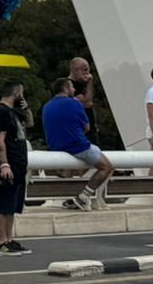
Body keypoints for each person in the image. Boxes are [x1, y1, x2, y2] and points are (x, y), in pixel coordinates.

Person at [41, 77, 113, 210]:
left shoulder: (47, 106)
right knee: (107, 167)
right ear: (66, 89)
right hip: (78, 146)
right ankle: (84, 196)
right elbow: (87, 127)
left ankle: (79, 197)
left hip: (55, 147)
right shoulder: (75, 103)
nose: (74, 90)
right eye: (72, 87)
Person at [0, 81, 32, 255]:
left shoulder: (13, 112)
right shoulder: (1, 111)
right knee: (4, 202)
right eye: (21, 93)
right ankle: (2, 241)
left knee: (12, 203)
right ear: (16, 92)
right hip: (8, 162)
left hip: (18, 162)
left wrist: (26, 108)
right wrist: (4, 163)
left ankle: (9, 239)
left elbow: (30, 123)